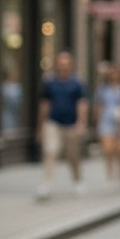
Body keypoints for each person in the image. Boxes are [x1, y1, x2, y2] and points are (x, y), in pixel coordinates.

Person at [36, 51, 88, 199]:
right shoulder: (50, 82)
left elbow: (82, 103)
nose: (63, 67)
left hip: (71, 123)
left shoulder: (77, 83)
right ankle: (46, 185)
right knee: (50, 151)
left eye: (66, 64)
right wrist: (40, 127)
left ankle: (77, 180)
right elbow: (44, 104)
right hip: (53, 122)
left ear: (71, 65)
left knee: (73, 155)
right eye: (61, 63)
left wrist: (81, 122)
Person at [95, 63, 120, 186]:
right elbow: (99, 105)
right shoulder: (103, 89)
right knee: (108, 149)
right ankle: (110, 172)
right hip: (106, 120)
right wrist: (98, 121)